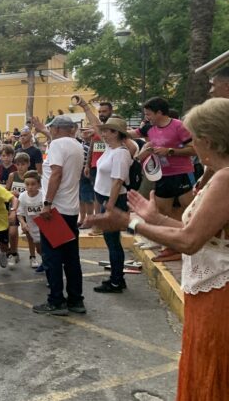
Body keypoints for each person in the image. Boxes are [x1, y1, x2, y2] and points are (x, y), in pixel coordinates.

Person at [87, 98, 229, 401]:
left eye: (194, 138)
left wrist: (130, 222)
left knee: (212, 369)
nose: (191, 145)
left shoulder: (226, 179)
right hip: (210, 289)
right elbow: (199, 233)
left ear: (207, 139)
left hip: (219, 295)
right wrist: (156, 218)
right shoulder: (220, 177)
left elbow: (190, 241)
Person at [128, 97, 196, 262]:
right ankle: (169, 244)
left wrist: (170, 151)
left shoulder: (178, 126)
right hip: (161, 175)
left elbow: (194, 149)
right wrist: (103, 130)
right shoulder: (149, 128)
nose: (146, 117)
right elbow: (129, 134)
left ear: (159, 112)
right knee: (161, 211)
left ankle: (186, 243)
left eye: (149, 114)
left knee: (188, 210)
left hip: (182, 173)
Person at [31, 115, 86, 316]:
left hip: (56, 210)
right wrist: (42, 130)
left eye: (50, 128)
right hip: (71, 209)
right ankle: (76, 300)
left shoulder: (56, 146)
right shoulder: (76, 145)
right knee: (71, 258)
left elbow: (56, 173)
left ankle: (56, 301)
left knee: (52, 257)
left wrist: (47, 204)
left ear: (56, 129)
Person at [89, 117, 134, 293]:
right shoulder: (111, 147)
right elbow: (96, 126)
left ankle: (116, 281)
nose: (104, 133)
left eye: (108, 131)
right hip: (107, 200)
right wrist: (85, 107)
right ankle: (117, 278)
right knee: (111, 240)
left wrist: (110, 209)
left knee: (113, 241)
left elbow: (117, 182)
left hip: (113, 201)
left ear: (116, 133)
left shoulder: (121, 153)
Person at [5, 152, 31, 267]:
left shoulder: (32, 176)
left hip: (28, 208)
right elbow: (5, 191)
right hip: (15, 207)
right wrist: (12, 193)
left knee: (30, 233)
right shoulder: (12, 175)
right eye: (18, 164)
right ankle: (14, 253)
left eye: (23, 164)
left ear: (28, 164)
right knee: (12, 232)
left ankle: (33, 256)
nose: (20, 167)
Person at [17, 170, 44, 270]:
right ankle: (46, 261)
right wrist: (23, 223)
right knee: (39, 249)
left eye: (33, 184)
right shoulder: (23, 196)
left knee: (49, 248)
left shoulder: (43, 195)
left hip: (45, 226)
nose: (30, 187)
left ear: (39, 184)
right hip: (32, 226)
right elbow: (19, 213)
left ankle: (50, 264)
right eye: (27, 184)